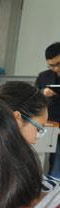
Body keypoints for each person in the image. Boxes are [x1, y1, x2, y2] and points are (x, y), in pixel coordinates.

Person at [36, 42, 60, 178]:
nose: (56, 69)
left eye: (58, 64)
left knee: (57, 168)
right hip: (47, 126)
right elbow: (32, 97)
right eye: (51, 65)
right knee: (40, 163)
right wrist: (43, 93)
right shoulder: (43, 76)